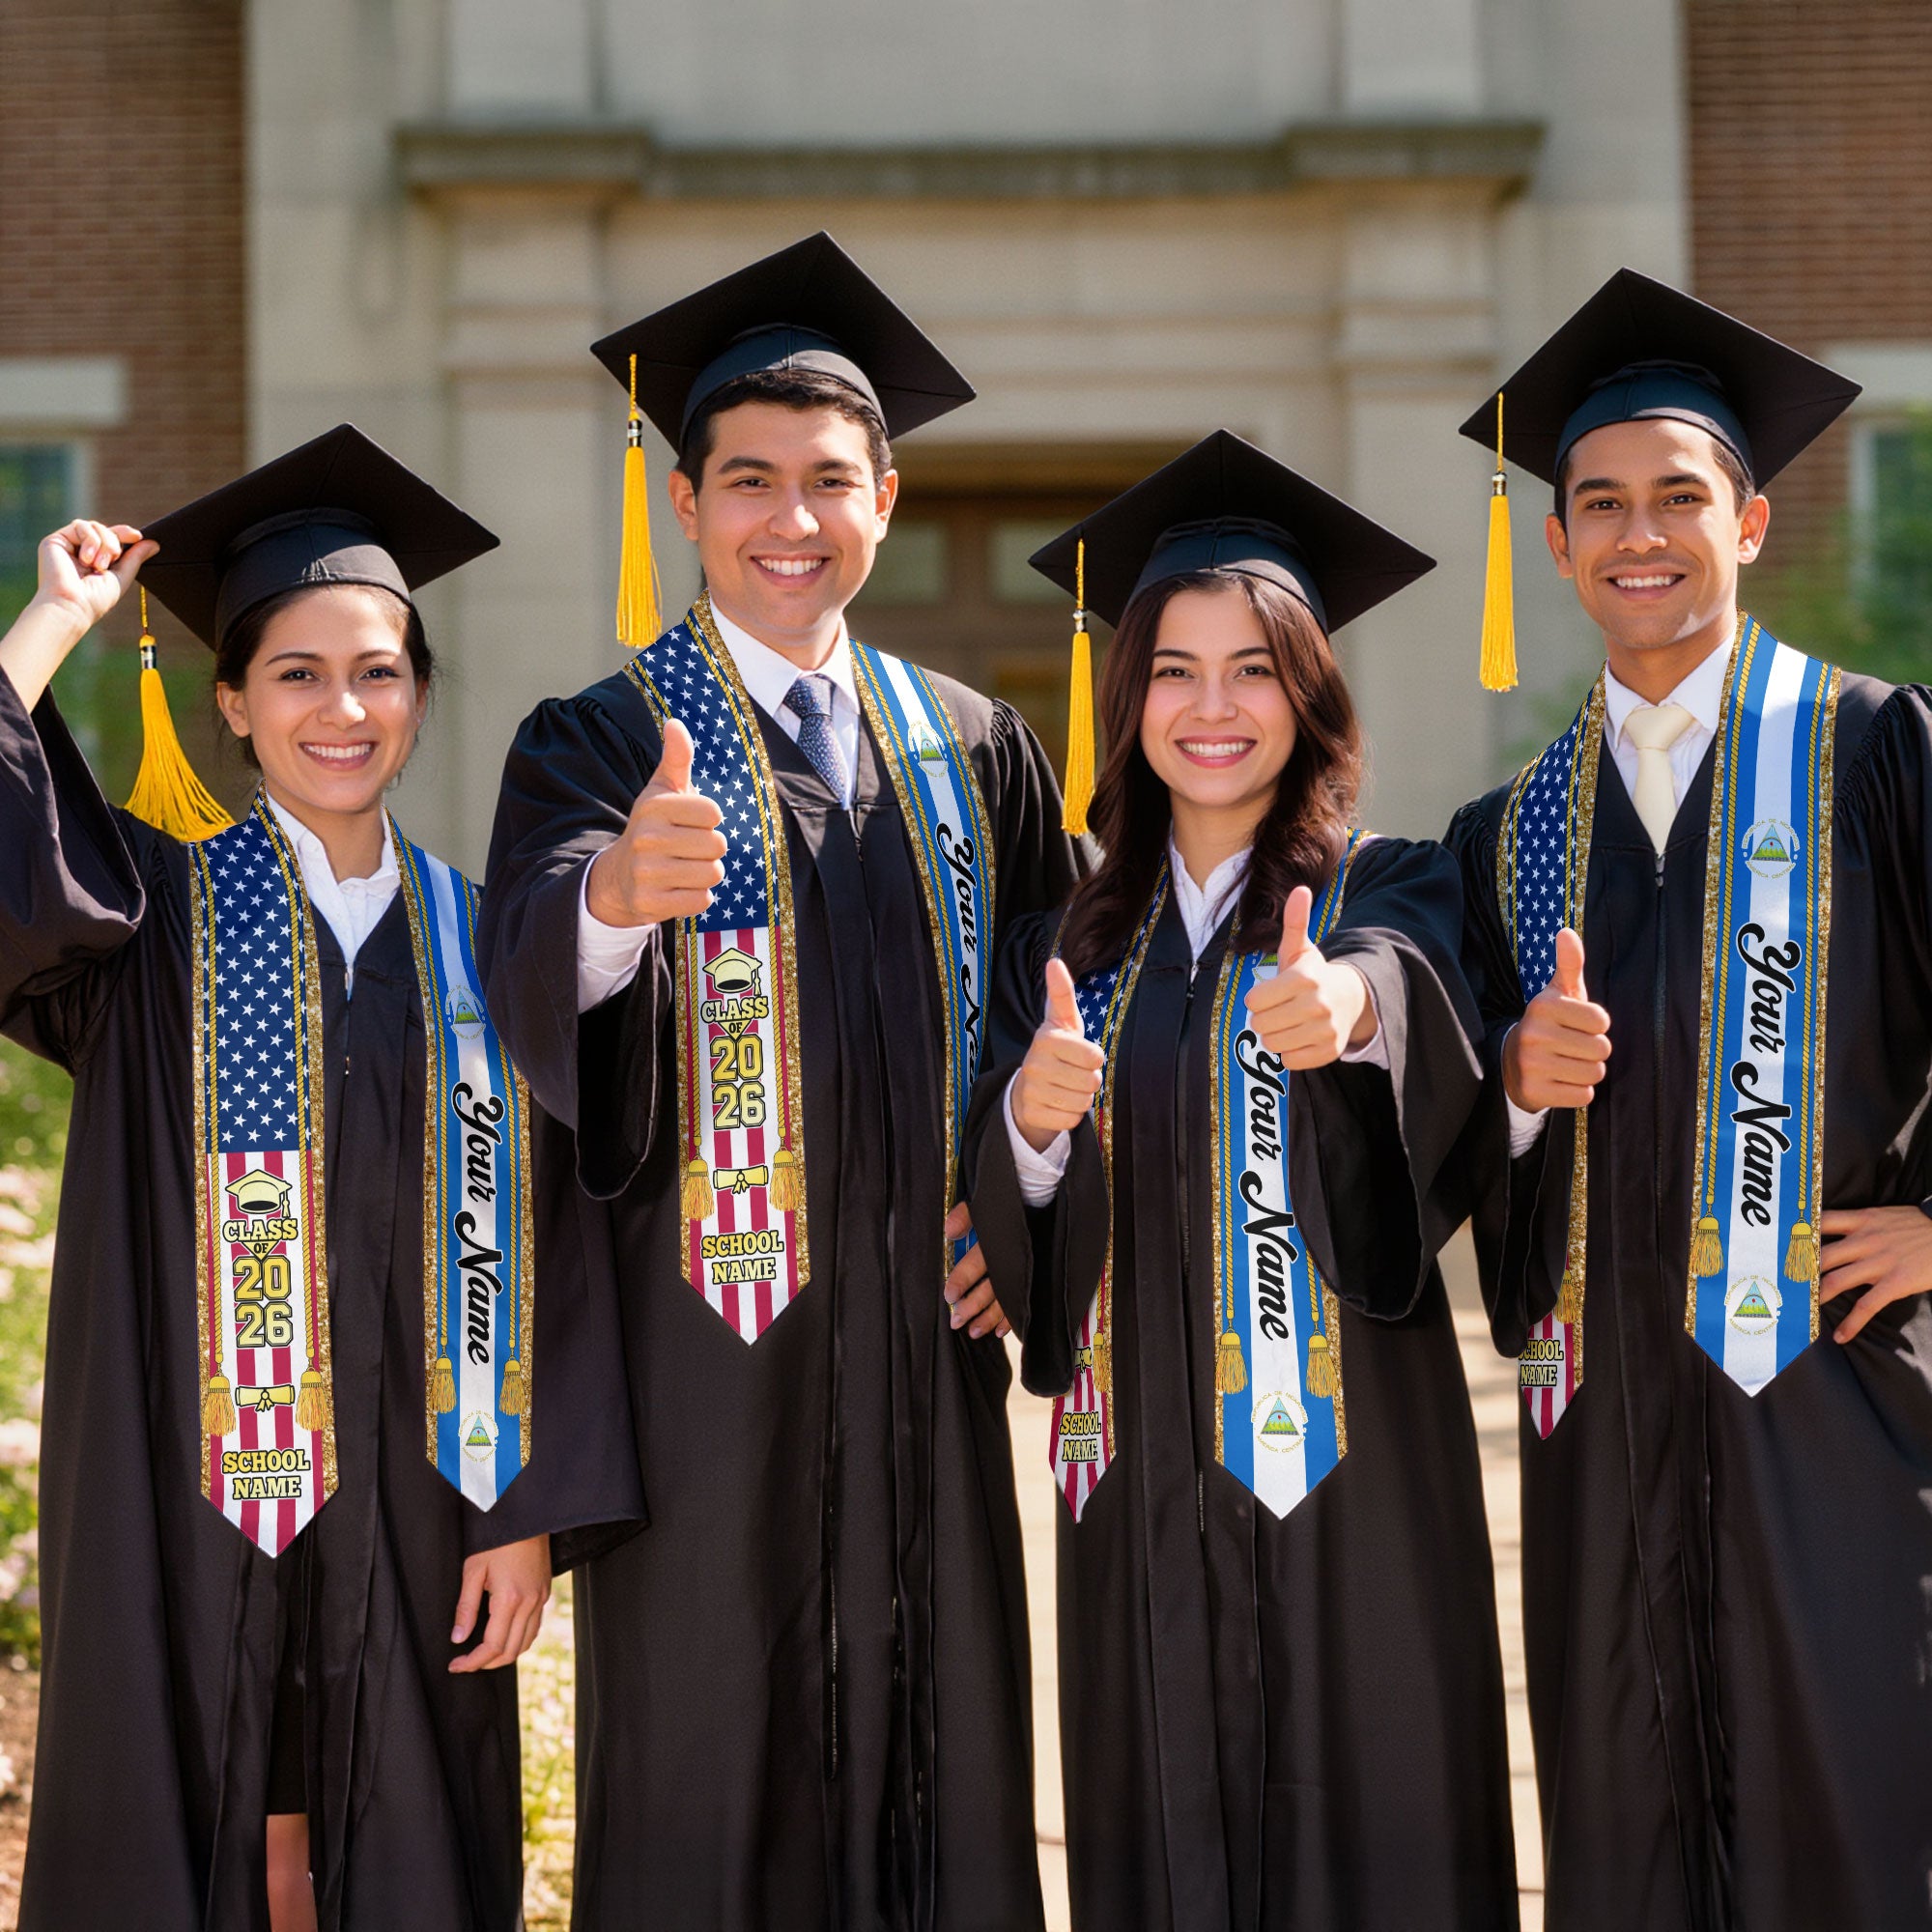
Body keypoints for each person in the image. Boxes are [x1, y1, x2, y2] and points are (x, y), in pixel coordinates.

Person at [478, 233, 1083, 1931]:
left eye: (831, 481)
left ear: (886, 497)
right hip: (705, 1373)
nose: (790, 520)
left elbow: (1071, 1009)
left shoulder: (976, 744)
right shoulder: (597, 739)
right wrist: (609, 901)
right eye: (749, 481)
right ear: (686, 503)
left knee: (943, 1764)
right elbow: (527, 970)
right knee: (709, 1779)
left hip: (925, 1361)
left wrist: (1023, 1205)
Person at [0, 425, 640, 1932]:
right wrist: (51, 625)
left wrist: (527, 1509)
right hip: (183, 1480)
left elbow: (569, 1235)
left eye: (378, 671)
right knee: (194, 1806)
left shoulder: (495, 944)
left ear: (419, 695)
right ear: (230, 701)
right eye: (295, 673)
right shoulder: (143, 917)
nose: (340, 708)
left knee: (407, 1834)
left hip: (428, 1498)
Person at [964, 431, 1518, 1930]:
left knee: (1378, 1826)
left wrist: (1349, 1013)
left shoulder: (1388, 885)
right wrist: (1026, 1119)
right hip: (1134, 1475)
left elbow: (1414, 990)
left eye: (1256, 669)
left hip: (1356, 1477)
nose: (1214, 709)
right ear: (1127, 696)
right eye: (1175, 670)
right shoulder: (1063, 946)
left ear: (1311, 692)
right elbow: (1010, 1202)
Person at [1446, 270, 1932, 1931]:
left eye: (1678, 497)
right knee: (1625, 1825)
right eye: (1599, 504)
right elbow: (1450, 1144)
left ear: (1752, 520)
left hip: (1837, 1402)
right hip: (1604, 1429)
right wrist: (1511, 1089)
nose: (1637, 534)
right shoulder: (1508, 834)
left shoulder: (1875, 752)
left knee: (1855, 1810)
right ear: (1562, 543)